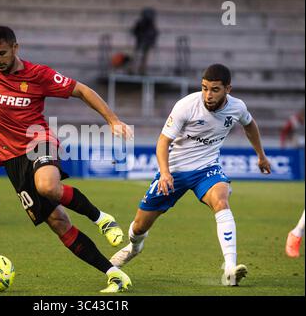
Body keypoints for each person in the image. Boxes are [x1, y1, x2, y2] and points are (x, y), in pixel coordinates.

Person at [0, 0, 134, 293]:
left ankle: (102, 219)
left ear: (15, 47)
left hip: (39, 141)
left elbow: (81, 90)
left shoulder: (38, 75)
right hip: (10, 159)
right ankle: (114, 273)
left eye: (2, 53)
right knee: (57, 221)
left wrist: (112, 120)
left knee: (48, 186)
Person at [110, 63, 272, 286]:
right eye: (205, 88)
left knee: (221, 201)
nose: (208, 95)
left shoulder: (237, 107)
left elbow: (250, 125)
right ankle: (134, 247)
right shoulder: (186, 105)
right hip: (174, 172)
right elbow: (162, 141)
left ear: (228, 89)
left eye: (215, 89)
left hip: (207, 169)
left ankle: (230, 269)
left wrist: (261, 155)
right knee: (139, 227)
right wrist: (165, 174)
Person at [131, 7, 159, 75]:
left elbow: (154, 33)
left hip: (146, 43)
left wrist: (152, 41)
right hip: (140, 42)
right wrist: (139, 35)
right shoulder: (140, 23)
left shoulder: (151, 24)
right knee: (137, 56)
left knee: (144, 57)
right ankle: (133, 70)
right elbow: (134, 31)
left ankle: (142, 70)